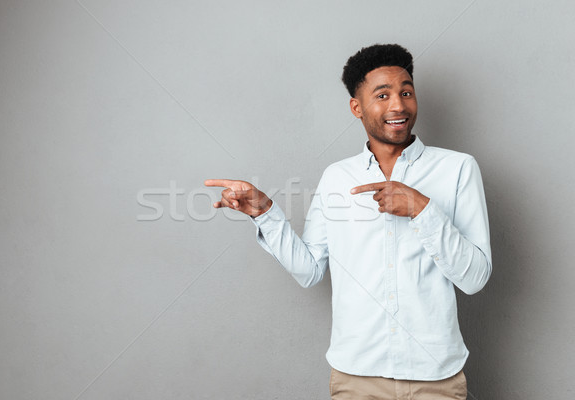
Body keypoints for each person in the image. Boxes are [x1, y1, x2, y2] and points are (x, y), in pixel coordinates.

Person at [205, 44, 491, 400]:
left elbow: (475, 278)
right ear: (357, 107)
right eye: (382, 95)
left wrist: (423, 209)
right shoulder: (337, 177)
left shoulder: (458, 168)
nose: (398, 105)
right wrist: (265, 212)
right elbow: (309, 270)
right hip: (356, 377)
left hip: (435, 374)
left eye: (406, 92)